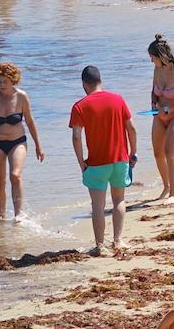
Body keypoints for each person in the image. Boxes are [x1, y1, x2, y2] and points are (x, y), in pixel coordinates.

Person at [69, 65, 137, 255]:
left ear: (84, 84)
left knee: (98, 206)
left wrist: (81, 163)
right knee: (119, 200)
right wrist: (133, 152)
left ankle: (100, 245)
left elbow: (76, 136)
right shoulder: (118, 99)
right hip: (120, 160)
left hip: (97, 163)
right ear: (101, 80)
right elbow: (131, 128)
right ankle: (118, 240)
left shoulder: (79, 106)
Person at [0, 62, 44, 221]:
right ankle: (1, 216)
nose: (2, 85)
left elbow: (30, 122)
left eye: (5, 81)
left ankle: (19, 216)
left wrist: (38, 146)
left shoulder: (21, 96)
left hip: (17, 141)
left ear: (13, 80)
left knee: (15, 175)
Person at [143, 34, 174, 205]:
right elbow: (153, 91)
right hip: (159, 116)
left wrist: (169, 108)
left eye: (152, 57)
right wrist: (153, 104)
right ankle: (165, 187)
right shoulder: (157, 69)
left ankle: (173, 193)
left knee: (169, 154)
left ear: (161, 56)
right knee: (158, 154)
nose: (151, 61)